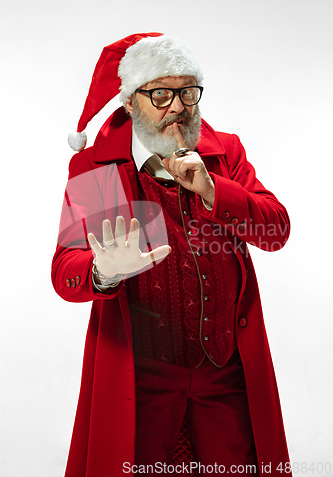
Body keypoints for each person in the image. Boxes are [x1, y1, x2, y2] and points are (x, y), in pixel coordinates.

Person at [52, 33, 292, 477]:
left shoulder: (226, 154)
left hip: (224, 373)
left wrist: (213, 190)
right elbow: (65, 271)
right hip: (141, 379)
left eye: (187, 92)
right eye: (160, 93)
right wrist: (102, 269)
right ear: (130, 101)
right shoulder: (98, 168)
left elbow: (275, 231)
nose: (177, 106)